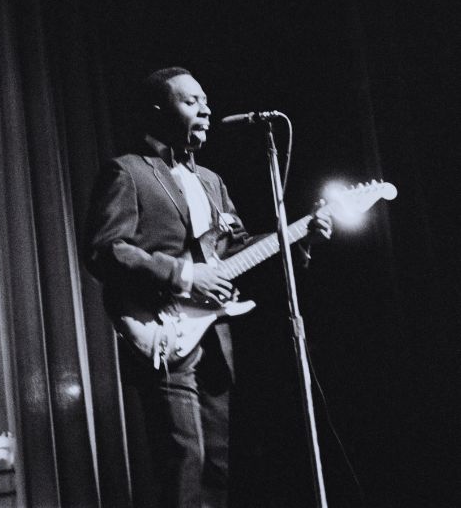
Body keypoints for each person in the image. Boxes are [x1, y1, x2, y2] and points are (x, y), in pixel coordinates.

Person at [85, 67, 330, 508]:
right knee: (184, 461)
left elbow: (237, 250)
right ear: (159, 109)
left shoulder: (213, 182)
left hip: (214, 340)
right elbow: (104, 249)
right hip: (163, 329)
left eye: (206, 101)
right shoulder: (128, 172)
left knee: (216, 470)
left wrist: (301, 236)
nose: (207, 109)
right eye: (191, 101)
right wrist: (183, 274)